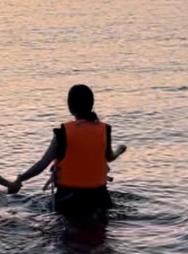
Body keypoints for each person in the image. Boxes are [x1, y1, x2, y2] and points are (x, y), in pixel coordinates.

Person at [11, 84, 126, 217]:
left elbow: (42, 164)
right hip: (99, 197)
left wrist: (20, 179)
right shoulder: (104, 129)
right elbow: (109, 157)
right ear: (91, 104)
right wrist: (119, 150)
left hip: (69, 198)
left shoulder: (63, 133)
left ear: (70, 107)